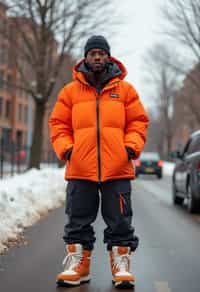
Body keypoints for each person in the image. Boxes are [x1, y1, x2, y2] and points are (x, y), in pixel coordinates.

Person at [49, 35, 149, 289]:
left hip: (118, 169)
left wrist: (129, 148)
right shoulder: (70, 91)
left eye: (100, 53)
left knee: (120, 221)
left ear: (108, 56)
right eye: (92, 53)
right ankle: (78, 266)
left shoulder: (125, 91)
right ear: (86, 57)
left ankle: (121, 267)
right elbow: (58, 125)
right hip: (80, 168)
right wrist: (68, 150)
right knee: (78, 220)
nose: (96, 57)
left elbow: (138, 123)